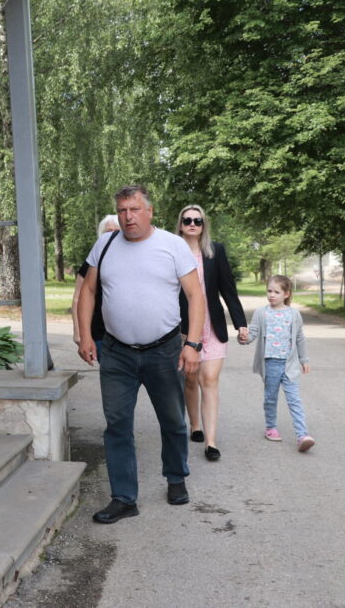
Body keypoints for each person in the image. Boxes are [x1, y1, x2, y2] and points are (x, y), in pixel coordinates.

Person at [74, 185, 206, 524]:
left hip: (164, 351)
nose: (128, 217)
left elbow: (196, 296)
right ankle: (123, 498)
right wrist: (86, 335)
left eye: (134, 209)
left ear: (149, 211)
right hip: (116, 352)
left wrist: (192, 344)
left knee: (173, 419)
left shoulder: (172, 245)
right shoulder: (105, 244)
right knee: (117, 424)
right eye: (122, 210)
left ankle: (175, 477)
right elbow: (88, 291)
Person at [175, 205, 248, 462]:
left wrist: (240, 323)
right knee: (191, 379)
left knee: (210, 380)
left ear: (203, 225)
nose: (192, 224)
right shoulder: (172, 253)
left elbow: (228, 289)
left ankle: (211, 441)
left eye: (198, 220)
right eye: (187, 220)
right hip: (184, 329)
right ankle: (195, 425)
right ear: (180, 224)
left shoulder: (215, 251)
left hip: (212, 326)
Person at [239, 275, 316, 452]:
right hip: (270, 363)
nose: (272, 295)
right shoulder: (261, 313)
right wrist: (243, 338)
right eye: (269, 291)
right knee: (270, 398)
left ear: (286, 294)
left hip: (290, 364)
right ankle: (271, 427)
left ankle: (302, 435)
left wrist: (304, 360)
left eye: (276, 292)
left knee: (294, 400)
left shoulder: (294, 314)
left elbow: (299, 338)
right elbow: (252, 334)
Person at [73, 214, 120, 359]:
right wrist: (78, 333)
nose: (112, 235)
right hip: (101, 334)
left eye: (116, 231)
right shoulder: (91, 263)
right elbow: (77, 298)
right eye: (108, 231)